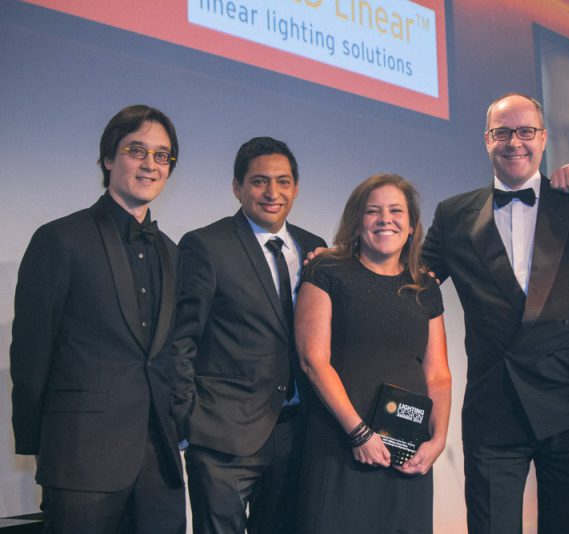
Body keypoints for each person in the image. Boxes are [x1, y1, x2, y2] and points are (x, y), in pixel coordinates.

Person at [421, 92, 569, 533]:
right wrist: (339, 262)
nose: (513, 142)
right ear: (486, 140)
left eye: (525, 132)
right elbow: (412, 282)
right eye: (502, 132)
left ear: (543, 138)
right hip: (493, 410)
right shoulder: (454, 215)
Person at [10, 105, 185, 533]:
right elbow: (31, 354)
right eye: (136, 150)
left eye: (162, 156)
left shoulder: (172, 252)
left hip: (159, 463)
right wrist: (40, 444)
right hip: (80, 460)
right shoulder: (59, 239)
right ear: (109, 158)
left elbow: (175, 352)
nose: (150, 164)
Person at [170, 137, 325, 533]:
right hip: (222, 435)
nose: (272, 193)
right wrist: (188, 419)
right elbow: (181, 339)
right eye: (259, 182)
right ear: (237, 187)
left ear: (296, 187)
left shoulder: (315, 249)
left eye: (283, 181)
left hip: (296, 432)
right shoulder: (206, 245)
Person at [295, 174, 451, 534]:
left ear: (411, 226)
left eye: (396, 211)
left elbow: (438, 374)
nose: (386, 219)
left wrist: (438, 440)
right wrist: (360, 434)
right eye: (373, 211)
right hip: (340, 444)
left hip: (406, 452)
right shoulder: (327, 271)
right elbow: (312, 360)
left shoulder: (425, 286)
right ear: (356, 221)